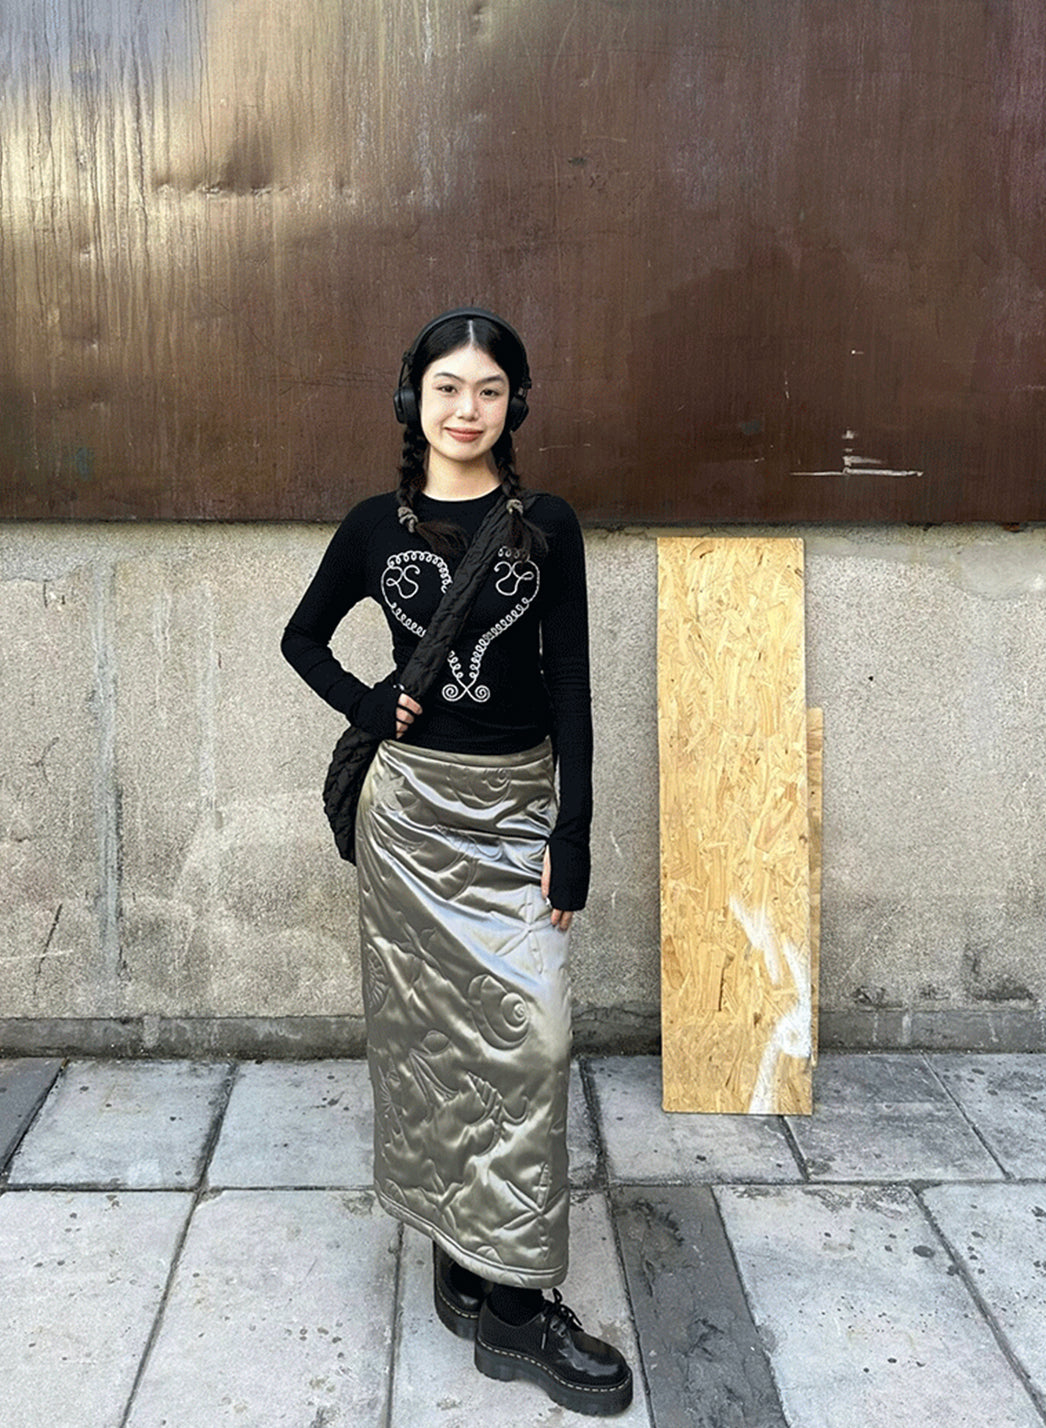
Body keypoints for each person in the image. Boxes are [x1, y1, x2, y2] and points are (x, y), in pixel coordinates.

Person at [281, 308, 632, 1416]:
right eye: (446, 387)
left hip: (517, 810)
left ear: (513, 404)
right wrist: (367, 702)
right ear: (412, 399)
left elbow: (569, 681)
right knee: (433, 1047)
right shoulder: (371, 528)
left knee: (532, 1042)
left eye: (487, 389)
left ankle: (508, 1294)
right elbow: (301, 638)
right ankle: (477, 1278)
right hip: (411, 821)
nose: (465, 409)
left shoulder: (547, 526)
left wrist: (572, 832)